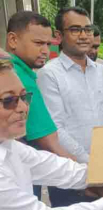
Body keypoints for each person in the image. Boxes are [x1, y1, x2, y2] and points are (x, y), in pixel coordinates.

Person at [0, 59, 103, 210]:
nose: (23, 107)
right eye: (9, 100)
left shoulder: (10, 147)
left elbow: (54, 168)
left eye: (24, 97)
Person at [37, 7, 103, 207]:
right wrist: (89, 163)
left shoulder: (101, 70)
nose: (84, 36)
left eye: (88, 29)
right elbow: (55, 128)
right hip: (69, 173)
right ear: (59, 36)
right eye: (75, 30)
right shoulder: (49, 74)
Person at [5, 11, 76, 200]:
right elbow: (50, 143)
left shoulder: (17, 73)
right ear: (13, 40)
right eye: (38, 43)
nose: (45, 50)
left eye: (48, 44)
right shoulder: (18, 82)